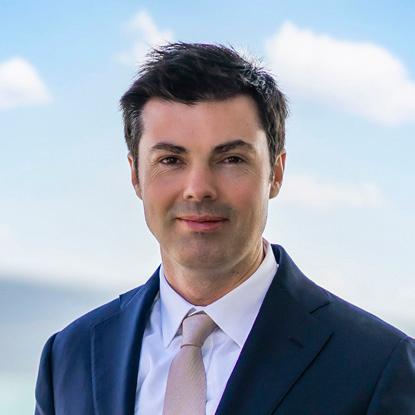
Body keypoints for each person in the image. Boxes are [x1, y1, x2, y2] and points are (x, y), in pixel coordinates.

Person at [35, 42, 415, 415]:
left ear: (276, 173)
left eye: (231, 158)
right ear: (136, 175)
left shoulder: (379, 366)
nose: (199, 188)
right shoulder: (68, 356)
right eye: (171, 160)